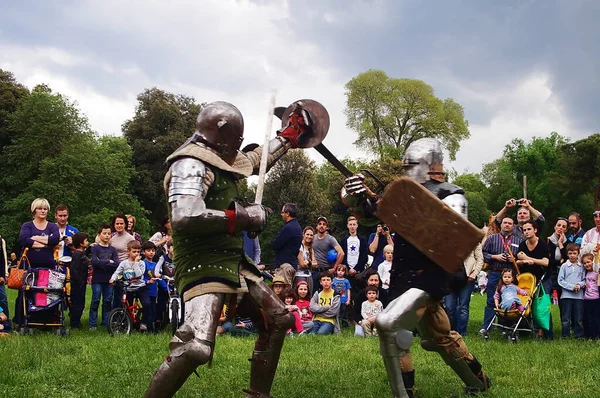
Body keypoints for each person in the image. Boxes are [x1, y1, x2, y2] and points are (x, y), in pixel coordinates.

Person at [145, 99, 326, 397]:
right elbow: (184, 215)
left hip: (233, 261)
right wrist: (243, 216)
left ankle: (257, 394)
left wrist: (290, 136)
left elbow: (256, 160)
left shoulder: (221, 158)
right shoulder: (190, 163)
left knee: (279, 318)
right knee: (196, 347)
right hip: (201, 263)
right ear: (227, 134)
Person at [343, 138, 490, 397]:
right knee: (440, 337)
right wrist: (357, 195)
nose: (408, 169)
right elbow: (371, 212)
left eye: (411, 163)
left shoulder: (452, 195)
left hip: (429, 277)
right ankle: (479, 382)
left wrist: (404, 210)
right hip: (404, 277)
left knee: (390, 327)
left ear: (429, 163)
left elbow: (451, 238)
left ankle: (404, 394)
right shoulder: (405, 193)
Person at [14, 198, 60, 328]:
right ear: (34, 210)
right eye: (40, 208)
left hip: (48, 265)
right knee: (26, 292)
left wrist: (35, 239)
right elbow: (24, 240)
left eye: (45, 208)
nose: (43, 211)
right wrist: (46, 242)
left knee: (48, 292)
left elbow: (55, 240)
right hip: (29, 265)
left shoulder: (52, 226)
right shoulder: (27, 226)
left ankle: (47, 320)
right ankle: (21, 320)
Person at [480, 217, 518, 334]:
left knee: (508, 300)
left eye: (510, 223)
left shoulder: (518, 240)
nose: (507, 225)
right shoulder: (492, 239)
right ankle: (487, 327)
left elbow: (522, 256)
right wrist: (494, 257)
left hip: (510, 275)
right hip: (495, 272)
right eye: (505, 223)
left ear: (513, 226)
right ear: (501, 225)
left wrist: (514, 259)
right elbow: (483, 254)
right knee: (491, 300)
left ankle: (504, 328)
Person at [109, 240, 151, 332]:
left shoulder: (141, 263)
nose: (136, 254)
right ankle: (128, 323)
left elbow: (139, 275)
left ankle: (143, 323)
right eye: (134, 251)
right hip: (128, 288)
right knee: (126, 305)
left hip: (140, 287)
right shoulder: (124, 263)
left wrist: (136, 263)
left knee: (147, 304)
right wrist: (113, 279)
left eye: (138, 252)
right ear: (128, 251)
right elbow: (117, 272)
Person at [444, 239, 484, 336]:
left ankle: (462, 332)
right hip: (450, 278)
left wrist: (474, 274)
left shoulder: (474, 241)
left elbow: (480, 259)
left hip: (467, 278)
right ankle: (452, 331)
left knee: (463, 306)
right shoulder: (446, 240)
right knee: (449, 307)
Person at [89, 224, 119, 330]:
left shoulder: (113, 250)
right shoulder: (95, 248)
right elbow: (94, 262)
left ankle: (106, 322)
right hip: (97, 279)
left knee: (107, 302)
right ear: (99, 235)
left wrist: (103, 264)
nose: (107, 236)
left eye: (109, 233)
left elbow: (116, 263)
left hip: (109, 279)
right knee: (95, 301)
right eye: (104, 233)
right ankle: (92, 324)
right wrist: (107, 261)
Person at [558, 243, 585, 338]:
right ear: (567, 254)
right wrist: (571, 287)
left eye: (574, 253)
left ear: (578, 254)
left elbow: (584, 279)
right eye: (570, 253)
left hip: (579, 296)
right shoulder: (564, 266)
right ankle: (565, 335)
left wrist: (579, 285)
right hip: (566, 295)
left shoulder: (581, 266)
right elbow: (560, 280)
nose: (572, 255)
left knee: (578, 317)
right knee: (566, 317)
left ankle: (579, 335)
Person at [108, 214, 135, 309]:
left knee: (121, 295)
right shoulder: (111, 238)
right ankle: (113, 317)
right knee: (112, 295)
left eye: (121, 223)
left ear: (125, 224)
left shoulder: (130, 238)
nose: (119, 225)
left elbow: (134, 254)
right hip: (113, 269)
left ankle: (124, 317)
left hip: (125, 270)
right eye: (117, 223)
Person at [312, 216, 344, 288]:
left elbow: (341, 253)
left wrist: (334, 268)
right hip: (315, 271)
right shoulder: (312, 238)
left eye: (324, 224)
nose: (321, 226)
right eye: (320, 224)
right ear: (317, 227)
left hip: (326, 271)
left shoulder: (330, 239)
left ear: (326, 227)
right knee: (314, 294)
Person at [340, 216, 369, 294]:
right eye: (350, 224)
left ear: (357, 225)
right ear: (347, 226)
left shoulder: (362, 240)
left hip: (359, 272)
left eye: (354, 224)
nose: (352, 226)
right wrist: (348, 269)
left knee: (360, 293)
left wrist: (355, 269)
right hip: (347, 272)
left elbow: (364, 257)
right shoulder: (344, 240)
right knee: (347, 294)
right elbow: (342, 256)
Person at [271, 203, 302, 271]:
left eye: (282, 212)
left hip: (285, 266)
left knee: (283, 282)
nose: (281, 214)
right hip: (292, 264)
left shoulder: (288, 228)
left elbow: (275, 245)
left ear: (287, 213)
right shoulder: (297, 226)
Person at [69, 232, 89, 329]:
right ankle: (75, 323)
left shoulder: (81, 253)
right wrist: (79, 281)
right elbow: (74, 269)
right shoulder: (77, 255)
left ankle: (76, 320)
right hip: (77, 284)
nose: (87, 242)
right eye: (86, 241)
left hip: (82, 282)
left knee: (81, 302)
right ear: (81, 244)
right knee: (77, 303)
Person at [54, 204, 79, 269]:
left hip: (69, 264)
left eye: (65, 216)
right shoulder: (50, 229)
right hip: (53, 263)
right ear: (55, 216)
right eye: (60, 216)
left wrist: (71, 245)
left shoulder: (74, 231)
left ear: (68, 215)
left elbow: (80, 250)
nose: (63, 218)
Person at [141, 241, 158, 333]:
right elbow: (140, 277)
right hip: (145, 290)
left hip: (154, 291)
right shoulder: (142, 263)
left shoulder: (156, 265)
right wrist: (147, 281)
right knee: (148, 309)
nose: (151, 252)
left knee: (153, 310)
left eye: (153, 250)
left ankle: (151, 327)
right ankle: (148, 328)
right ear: (143, 252)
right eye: (148, 250)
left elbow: (160, 278)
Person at [582, 253, 600, 340]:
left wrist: (596, 256)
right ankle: (590, 335)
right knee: (589, 318)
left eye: (588, 262)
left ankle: (597, 335)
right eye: (584, 263)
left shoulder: (597, 272)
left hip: (596, 298)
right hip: (587, 299)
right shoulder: (586, 273)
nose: (586, 264)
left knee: (596, 318)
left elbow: (597, 264)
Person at [296, 226, 317, 294]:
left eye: (311, 235)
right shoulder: (300, 246)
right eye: (307, 234)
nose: (309, 236)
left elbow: (316, 264)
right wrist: (310, 264)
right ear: (303, 234)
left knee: (308, 296)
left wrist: (308, 263)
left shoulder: (310, 249)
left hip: (309, 276)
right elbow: (302, 264)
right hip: (299, 275)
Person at [0, 235, 9, 332]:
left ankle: (6, 325)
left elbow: (3, 259)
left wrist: (4, 274)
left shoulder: (1, 240)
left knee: (3, 300)